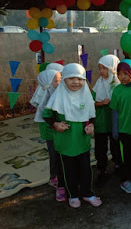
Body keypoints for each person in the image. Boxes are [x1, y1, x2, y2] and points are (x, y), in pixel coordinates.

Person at [43, 63, 101, 208]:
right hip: (65, 143)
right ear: (64, 80)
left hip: (82, 142)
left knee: (85, 169)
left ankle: (87, 193)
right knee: (68, 171)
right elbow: (47, 114)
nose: (76, 82)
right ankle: (72, 195)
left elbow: (91, 114)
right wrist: (55, 124)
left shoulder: (86, 95)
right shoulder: (58, 96)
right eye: (71, 78)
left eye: (80, 79)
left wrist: (91, 125)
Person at [30, 69, 63, 198]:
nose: (59, 83)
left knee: (57, 151)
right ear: (48, 83)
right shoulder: (47, 94)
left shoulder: (54, 91)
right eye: (56, 81)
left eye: (60, 80)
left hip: (53, 127)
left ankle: (57, 174)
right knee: (53, 152)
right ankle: (53, 177)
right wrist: (54, 123)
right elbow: (46, 114)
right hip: (49, 128)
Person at [110, 59, 131, 194]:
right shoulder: (117, 90)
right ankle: (124, 180)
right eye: (119, 74)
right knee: (124, 157)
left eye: (126, 74)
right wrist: (115, 129)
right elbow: (114, 111)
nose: (122, 77)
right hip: (123, 130)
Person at [92, 54, 121, 186]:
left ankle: (118, 165)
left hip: (115, 122)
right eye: (100, 68)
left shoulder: (119, 84)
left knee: (116, 145)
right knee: (100, 147)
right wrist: (100, 103)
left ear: (112, 68)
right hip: (101, 122)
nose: (101, 71)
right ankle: (102, 169)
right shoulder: (99, 84)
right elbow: (91, 102)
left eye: (104, 68)